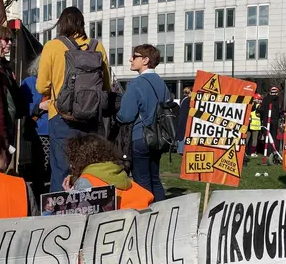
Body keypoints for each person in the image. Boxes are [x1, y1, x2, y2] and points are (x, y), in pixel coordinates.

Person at [37, 7, 111, 192]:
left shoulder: (53, 46)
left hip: (61, 116)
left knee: (61, 170)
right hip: (91, 118)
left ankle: (60, 216)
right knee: (89, 169)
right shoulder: (97, 46)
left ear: (61, 24)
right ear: (82, 23)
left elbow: (41, 86)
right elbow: (106, 86)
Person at [116, 44, 171, 201]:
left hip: (140, 137)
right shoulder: (162, 84)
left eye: (135, 56)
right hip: (159, 137)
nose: (130, 59)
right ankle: (161, 213)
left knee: (142, 182)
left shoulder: (136, 83)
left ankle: (147, 218)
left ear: (145, 60)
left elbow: (126, 115)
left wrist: (116, 116)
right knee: (155, 178)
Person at [64, 134, 154, 210]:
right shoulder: (116, 170)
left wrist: (70, 196)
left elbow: (82, 218)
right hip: (144, 213)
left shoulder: (84, 181)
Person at [20, 55, 51, 197]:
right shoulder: (29, 82)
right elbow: (22, 106)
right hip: (40, 131)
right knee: (41, 167)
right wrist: (39, 106)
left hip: (55, 130)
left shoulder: (57, 82)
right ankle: (38, 196)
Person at [259, 86, 284, 155]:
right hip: (274, 120)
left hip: (266, 120)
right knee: (273, 136)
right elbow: (280, 111)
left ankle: (267, 151)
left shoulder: (265, 99)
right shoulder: (279, 100)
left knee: (267, 136)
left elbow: (261, 109)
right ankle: (273, 151)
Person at [176, 87, 192, 154]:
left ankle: (180, 149)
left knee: (181, 133)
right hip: (185, 119)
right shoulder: (188, 100)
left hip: (181, 118)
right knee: (184, 134)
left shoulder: (183, 99)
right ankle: (181, 150)